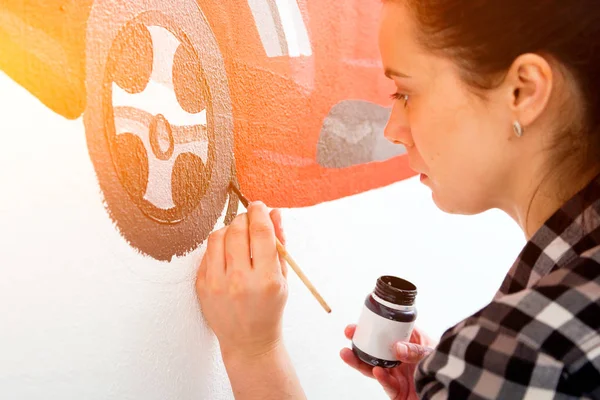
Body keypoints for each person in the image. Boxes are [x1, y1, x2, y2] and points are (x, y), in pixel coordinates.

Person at [195, 0, 600, 398]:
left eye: (405, 92)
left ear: (522, 91)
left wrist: (253, 351)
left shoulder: (526, 354)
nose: (392, 129)